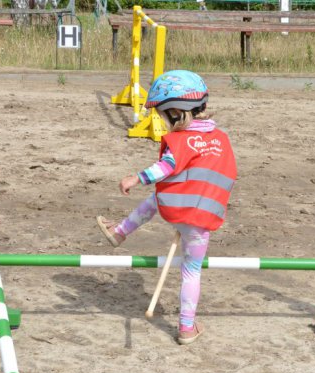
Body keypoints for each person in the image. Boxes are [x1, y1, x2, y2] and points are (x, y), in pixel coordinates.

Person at [97, 70, 237, 345]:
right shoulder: (221, 139)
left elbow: (166, 167)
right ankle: (186, 328)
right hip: (203, 216)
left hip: (175, 207)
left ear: (175, 112)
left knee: (158, 196)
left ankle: (120, 231)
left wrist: (136, 178)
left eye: (162, 115)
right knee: (191, 271)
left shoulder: (181, 141)